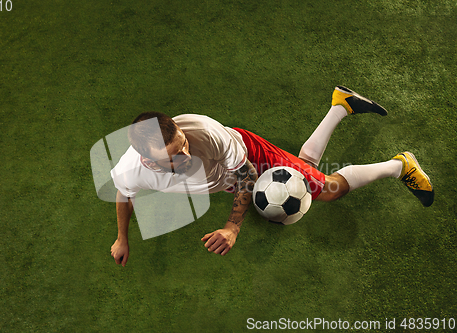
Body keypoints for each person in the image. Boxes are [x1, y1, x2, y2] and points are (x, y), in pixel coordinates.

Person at [110, 86, 434, 267]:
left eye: (183, 145)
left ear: (180, 130)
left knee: (328, 189)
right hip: (225, 176)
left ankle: (400, 165)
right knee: (301, 171)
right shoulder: (130, 169)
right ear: (148, 163)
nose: (186, 156)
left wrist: (231, 227)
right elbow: (124, 193)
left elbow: (247, 176)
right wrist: (123, 237)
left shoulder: (207, 134)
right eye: (173, 158)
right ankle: (341, 104)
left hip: (249, 155)